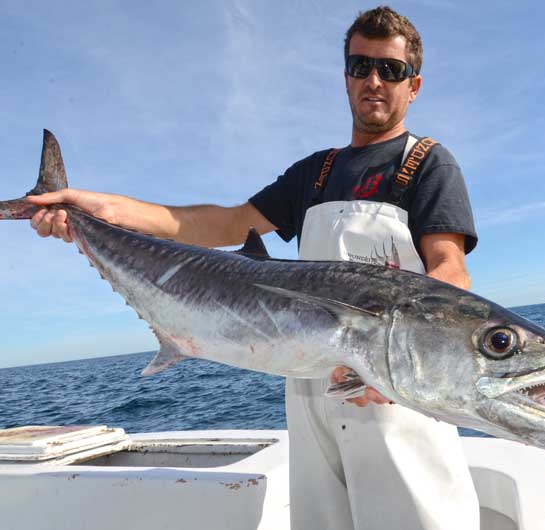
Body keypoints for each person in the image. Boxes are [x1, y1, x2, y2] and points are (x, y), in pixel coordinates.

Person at [29, 6, 480, 530]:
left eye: (390, 70)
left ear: (414, 85)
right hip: (309, 389)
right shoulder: (315, 172)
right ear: (345, 77)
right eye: (361, 67)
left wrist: (397, 363)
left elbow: (449, 271)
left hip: (395, 395)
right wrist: (94, 209)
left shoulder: (428, 163)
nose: (374, 81)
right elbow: (221, 224)